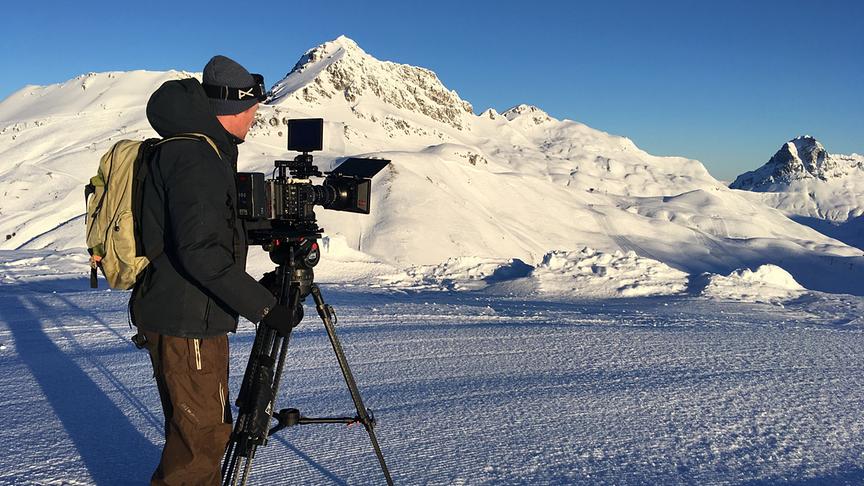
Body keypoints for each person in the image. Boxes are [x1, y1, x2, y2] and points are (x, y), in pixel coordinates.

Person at [130, 55, 293, 485]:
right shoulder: (195, 156)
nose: (255, 117)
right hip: (188, 321)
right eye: (251, 108)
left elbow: (206, 229)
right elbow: (200, 252)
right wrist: (264, 308)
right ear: (230, 108)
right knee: (200, 442)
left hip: (183, 313)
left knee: (194, 432)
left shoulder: (197, 148)